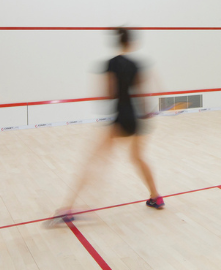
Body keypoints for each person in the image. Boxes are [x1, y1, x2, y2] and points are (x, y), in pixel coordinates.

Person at [51, 28, 163, 225]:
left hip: (120, 118)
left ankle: (67, 208)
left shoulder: (111, 63)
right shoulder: (137, 65)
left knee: (94, 160)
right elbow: (143, 94)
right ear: (131, 43)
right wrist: (146, 112)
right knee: (138, 157)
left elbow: (109, 94)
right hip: (136, 119)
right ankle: (156, 196)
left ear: (118, 42)